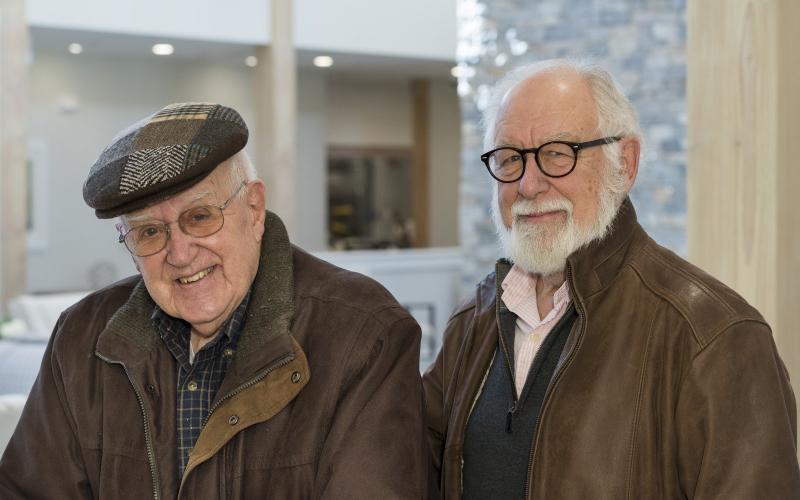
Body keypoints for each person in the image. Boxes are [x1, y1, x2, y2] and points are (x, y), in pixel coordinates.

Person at [0, 102, 428, 498]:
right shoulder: (81, 338)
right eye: (149, 232)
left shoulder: (364, 333)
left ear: (254, 208)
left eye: (200, 217)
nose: (180, 254)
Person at [423, 60, 800, 499]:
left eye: (557, 153)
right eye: (510, 159)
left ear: (625, 164)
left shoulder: (712, 336)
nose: (528, 184)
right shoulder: (472, 323)